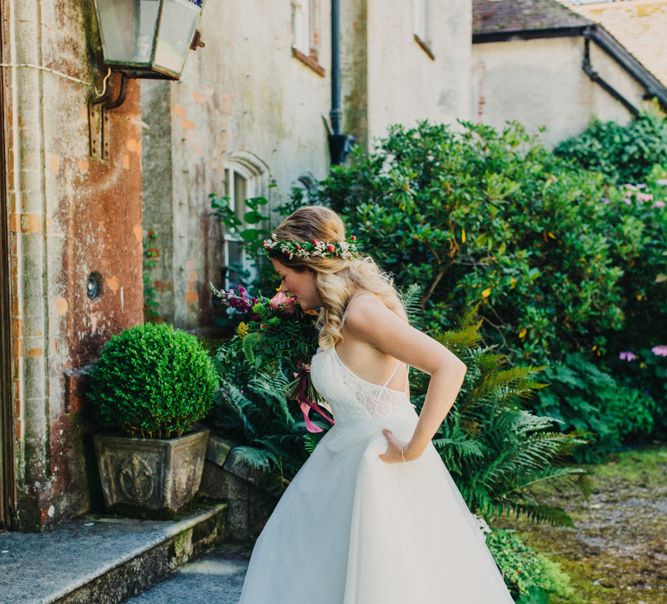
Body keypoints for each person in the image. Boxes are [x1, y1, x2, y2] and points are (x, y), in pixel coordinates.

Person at [237, 206, 513, 603]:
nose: (282, 290)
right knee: (293, 556)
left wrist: (414, 447)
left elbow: (449, 367)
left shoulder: (362, 312)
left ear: (310, 264)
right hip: (345, 454)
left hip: (379, 459)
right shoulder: (339, 313)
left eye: (285, 277)